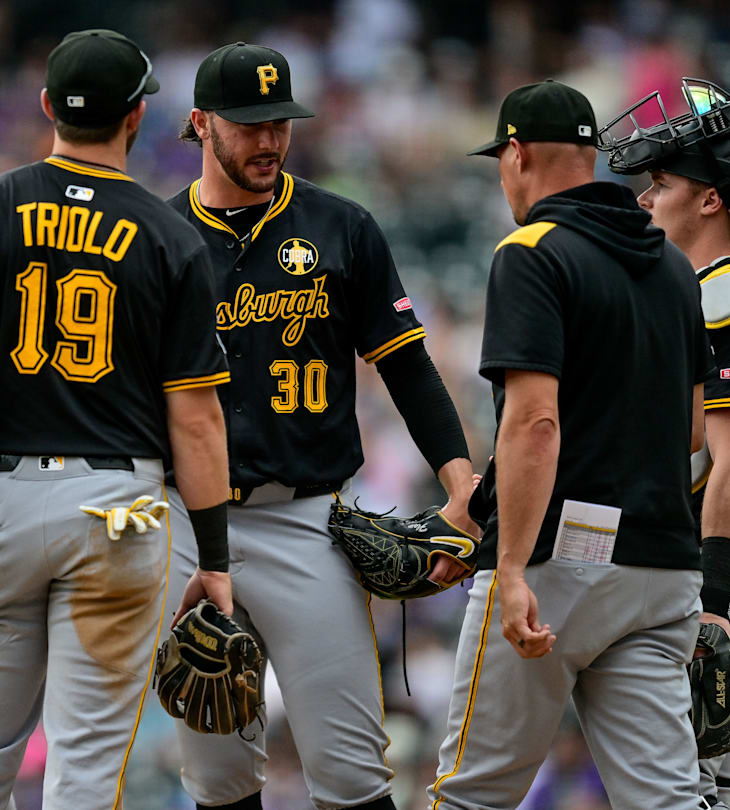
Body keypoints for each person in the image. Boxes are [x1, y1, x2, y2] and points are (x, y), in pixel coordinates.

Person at [0, 29, 233, 810]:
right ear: (137, 115)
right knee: (87, 772)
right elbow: (196, 419)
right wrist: (215, 558)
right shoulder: (171, 235)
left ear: (49, 106)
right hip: (117, 511)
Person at [169, 42, 476, 810]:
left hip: (307, 519)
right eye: (248, 125)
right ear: (200, 123)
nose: (269, 139)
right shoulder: (159, 238)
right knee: (215, 776)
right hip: (188, 523)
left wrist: (461, 482)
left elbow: (407, 366)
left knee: (353, 773)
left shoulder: (341, 226)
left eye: (280, 122)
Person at [427, 80, 713, 810]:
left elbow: (536, 423)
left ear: (517, 153)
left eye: (501, 159)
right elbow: (693, 431)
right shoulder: (677, 268)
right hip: (661, 570)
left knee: (471, 796)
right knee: (667, 802)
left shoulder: (532, 251)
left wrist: (512, 562)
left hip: (556, 565)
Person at [605, 78, 730, 810]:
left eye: (661, 183)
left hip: (726, 568)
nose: (646, 199)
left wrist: (714, 604)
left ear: (712, 198)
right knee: (691, 787)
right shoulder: (691, 294)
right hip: (689, 562)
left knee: (677, 785)